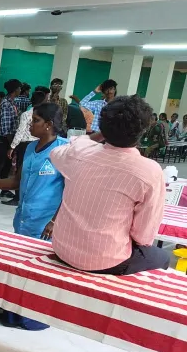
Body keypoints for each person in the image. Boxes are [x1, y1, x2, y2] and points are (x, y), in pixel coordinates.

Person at [0, 103, 68, 330]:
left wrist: (55, 221)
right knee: (19, 267)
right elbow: (17, 181)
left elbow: (72, 190)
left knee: (37, 272)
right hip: (24, 218)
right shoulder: (30, 147)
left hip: (45, 223)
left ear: (49, 125)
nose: (30, 124)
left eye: (36, 121)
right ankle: (10, 310)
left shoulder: (64, 150)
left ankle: (30, 316)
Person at [48, 95, 168, 275]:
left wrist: (97, 135)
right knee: (163, 257)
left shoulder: (79, 153)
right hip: (106, 260)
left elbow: (56, 153)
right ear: (143, 131)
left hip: (63, 249)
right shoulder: (149, 171)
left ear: (102, 128)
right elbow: (143, 236)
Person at [5, 90, 51, 205]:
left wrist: (12, 146)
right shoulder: (45, 116)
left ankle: (18, 197)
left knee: (21, 171)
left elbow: (20, 131)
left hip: (25, 145)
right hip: (39, 144)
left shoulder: (26, 114)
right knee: (34, 171)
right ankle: (28, 196)